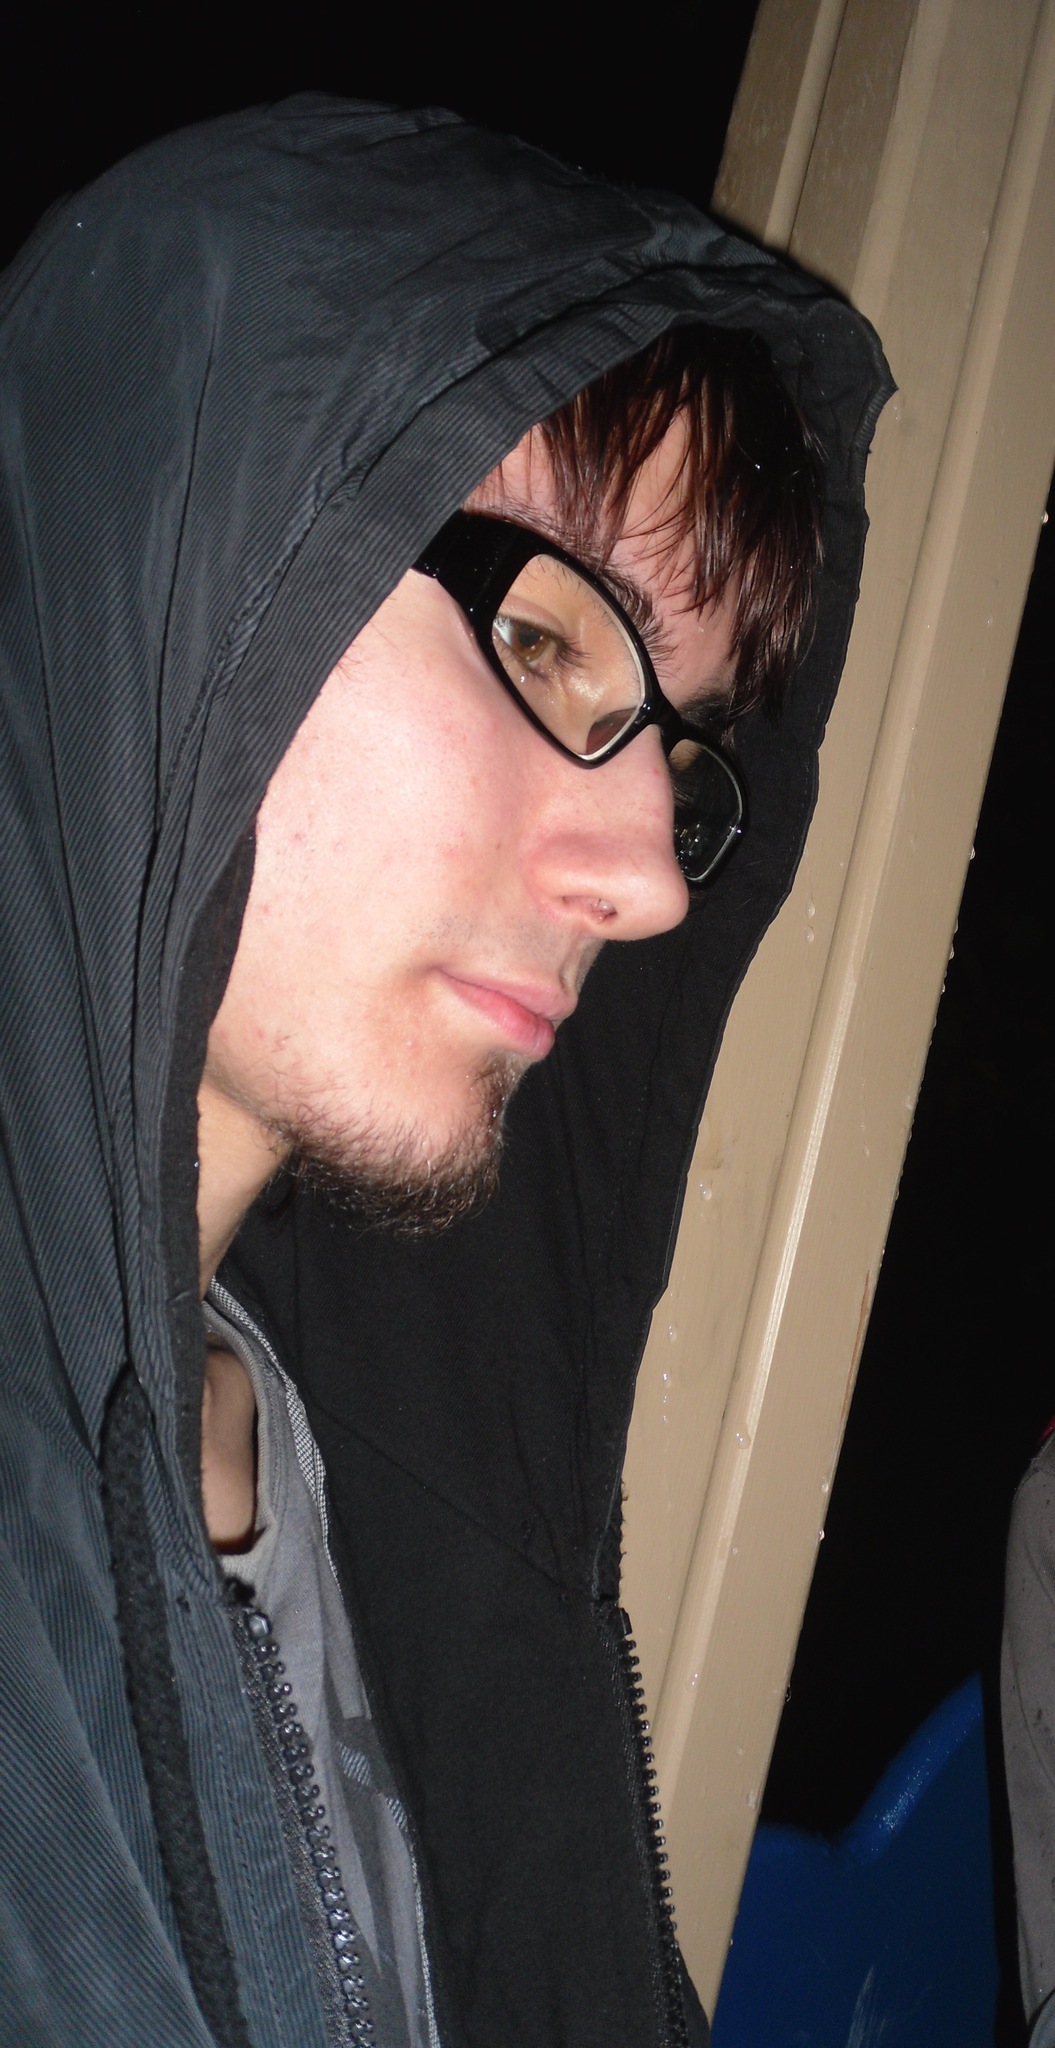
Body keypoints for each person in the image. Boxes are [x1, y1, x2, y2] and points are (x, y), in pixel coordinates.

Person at [0, 94, 890, 2047]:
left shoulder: (327, 1466)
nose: (651, 881)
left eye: (682, 751)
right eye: (548, 641)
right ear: (174, 558)